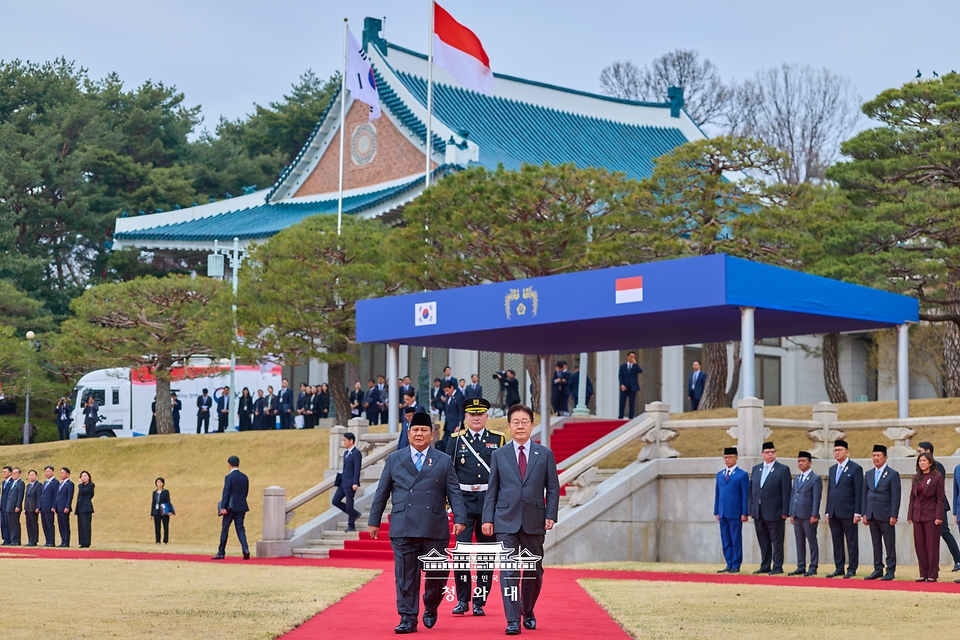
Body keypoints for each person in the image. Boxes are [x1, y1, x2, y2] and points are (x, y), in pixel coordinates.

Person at [367, 412, 466, 634]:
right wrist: (374, 521)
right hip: (404, 526)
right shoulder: (395, 459)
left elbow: (454, 492)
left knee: (437, 577)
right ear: (408, 433)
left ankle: (431, 605)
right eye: (415, 430)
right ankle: (408, 618)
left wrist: (460, 517)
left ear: (432, 434)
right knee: (405, 578)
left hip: (434, 527)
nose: (419, 434)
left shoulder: (444, 460)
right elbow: (381, 492)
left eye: (423, 430)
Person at [482, 404, 560, 635]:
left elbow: (553, 489)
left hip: (534, 521)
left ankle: (528, 608)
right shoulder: (499, 454)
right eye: (515, 422)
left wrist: (550, 515)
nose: (520, 426)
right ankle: (513, 619)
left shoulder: (544, 454)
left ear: (531, 425)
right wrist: (488, 519)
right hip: (505, 521)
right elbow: (492, 490)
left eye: (524, 421)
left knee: (534, 570)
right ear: (508, 426)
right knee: (509, 571)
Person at [446, 397, 505, 616]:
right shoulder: (455, 440)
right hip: (463, 502)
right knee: (461, 552)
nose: (476, 417)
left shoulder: (497, 439)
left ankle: (480, 600)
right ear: (466, 417)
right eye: (472, 414)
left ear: (487, 416)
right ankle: (462, 600)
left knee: (485, 555)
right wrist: (450, 504)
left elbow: (501, 475)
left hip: (488, 503)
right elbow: (449, 474)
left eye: (480, 414)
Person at [749, 441, 791, 574]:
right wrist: (751, 509)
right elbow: (753, 491)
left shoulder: (782, 469)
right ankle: (765, 565)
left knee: (777, 540)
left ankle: (777, 566)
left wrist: (785, 511)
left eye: (773, 452)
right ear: (762, 454)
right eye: (767, 453)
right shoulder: (756, 469)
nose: (770, 455)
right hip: (759, 511)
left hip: (775, 512)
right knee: (763, 540)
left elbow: (786, 492)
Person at [917, 442, 960, 571]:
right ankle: (932, 565)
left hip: (937, 506)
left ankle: (958, 560)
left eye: (920, 451)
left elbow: (937, 488)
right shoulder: (920, 468)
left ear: (928, 451)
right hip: (925, 508)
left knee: (944, 531)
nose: (918, 455)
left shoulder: (937, 466)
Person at [824, 439, 862, 578]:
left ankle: (852, 568)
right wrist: (828, 510)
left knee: (851, 541)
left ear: (847, 451)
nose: (837, 452)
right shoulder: (833, 469)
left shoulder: (855, 468)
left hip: (848, 511)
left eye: (840, 450)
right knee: (837, 541)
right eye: (835, 450)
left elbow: (858, 492)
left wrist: (858, 512)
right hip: (834, 511)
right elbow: (830, 491)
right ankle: (839, 567)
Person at [862, 444, 900, 581]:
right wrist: (864, 513)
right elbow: (864, 495)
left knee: (889, 543)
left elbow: (896, 496)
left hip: (886, 515)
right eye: (873, 455)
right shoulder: (869, 474)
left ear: (885, 457)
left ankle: (890, 570)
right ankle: (877, 569)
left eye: (878, 455)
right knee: (875, 543)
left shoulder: (892, 474)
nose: (875, 458)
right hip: (871, 514)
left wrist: (894, 515)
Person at [908, 452, 944, 582]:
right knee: (920, 545)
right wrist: (910, 514)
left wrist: (939, 516)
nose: (922, 463)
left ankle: (932, 574)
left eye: (924, 460)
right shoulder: (916, 478)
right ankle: (923, 573)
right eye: (920, 461)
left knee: (932, 545)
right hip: (918, 515)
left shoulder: (937, 477)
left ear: (930, 462)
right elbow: (912, 497)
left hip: (931, 515)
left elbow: (940, 499)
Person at [714, 447, 749, 573]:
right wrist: (716, 511)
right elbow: (718, 494)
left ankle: (736, 564)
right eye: (726, 457)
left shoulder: (742, 475)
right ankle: (728, 563)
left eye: (730, 457)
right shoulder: (720, 474)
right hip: (723, 512)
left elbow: (745, 495)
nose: (728, 460)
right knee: (725, 539)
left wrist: (744, 512)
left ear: (736, 458)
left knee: (735, 538)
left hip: (735, 513)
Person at [788, 451, 821, 576]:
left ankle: (813, 566)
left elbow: (816, 498)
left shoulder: (815, 478)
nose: (801, 463)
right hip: (797, 515)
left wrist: (814, 514)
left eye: (803, 461)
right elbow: (793, 496)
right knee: (799, 541)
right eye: (799, 461)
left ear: (810, 462)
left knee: (811, 541)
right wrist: (792, 513)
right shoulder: (797, 478)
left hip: (808, 516)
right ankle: (800, 565)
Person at [213, 455, 250, 559]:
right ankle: (245, 549)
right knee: (240, 528)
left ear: (229, 464)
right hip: (242, 505)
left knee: (225, 529)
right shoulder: (244, 477)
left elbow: (226, 492)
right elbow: (245, 492)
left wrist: (223, 507)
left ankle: (221, 552)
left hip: (230, 507)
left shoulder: (229, 477)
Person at [333, 432, 363, 532]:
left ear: (351, 441)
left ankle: (351, 525)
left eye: (345, 440)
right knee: (335, 501)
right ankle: (354, 514)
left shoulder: (356, 453)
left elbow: (357, 469)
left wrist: (355, 482)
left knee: (349, 503)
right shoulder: (346, 453)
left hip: (350, 483)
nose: (344, 442)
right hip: (343, 482)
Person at [441, 380, 465, 451]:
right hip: (448, 425)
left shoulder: (459, 396)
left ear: (452, 387)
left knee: (453, 447)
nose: (446, 392)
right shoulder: (448, 397)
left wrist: (459, 425)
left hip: (455, 426)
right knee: (445, 445)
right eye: (445, 391)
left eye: (447, 390)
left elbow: (461, 412)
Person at [2, 467, 24, 545]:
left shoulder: (20, 483)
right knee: (9, 524)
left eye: (16, 473)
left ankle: (16, 540)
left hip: (14, 507)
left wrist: (18, 506)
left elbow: (20, 496)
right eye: (13, 473)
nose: (14, 475)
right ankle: (10, 539)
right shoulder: (10, 483)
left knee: (15, 524)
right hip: (8, 507)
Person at [618, 351, 642, 420]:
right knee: (622, 402)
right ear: (627, 357)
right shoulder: (623, 367)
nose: (632, 358)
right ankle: (620, 416)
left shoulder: (635, 367)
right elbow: (620, 376)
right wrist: (622, 384)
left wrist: (636, 364)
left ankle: (631, 417)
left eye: (633, 357)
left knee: (632, 403)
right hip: (624, 387)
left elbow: (640, 371)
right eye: (631, 357)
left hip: (632, 387)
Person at [39, 466, 59, 547]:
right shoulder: (45, 482)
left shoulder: (55, 482)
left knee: (50, 524)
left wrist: (54, 506)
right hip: (43, 507)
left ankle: (51, 541)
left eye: (49, 471)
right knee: (44, 524)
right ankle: (47, 540)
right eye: (46, 472)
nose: (47, 473)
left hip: (49, 506)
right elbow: (42, 495)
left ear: (53, 472)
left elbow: (55, 496)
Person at [75, 470, 94, 548]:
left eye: (85, 476)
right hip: (80, 508)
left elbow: (83, 492)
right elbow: (79, 498)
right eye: (82, 476)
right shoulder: (82, 486)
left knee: (86, 525)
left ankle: (87, 542)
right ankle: (82, 542)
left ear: (89, 477)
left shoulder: (90, 485)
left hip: (86, 508)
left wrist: (80, 485)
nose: (83, 478)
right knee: (81, 526)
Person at [56, 467, 74, 547]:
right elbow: (57, 496)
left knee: (65, 524)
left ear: (67, 474)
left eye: (62, 473)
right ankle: (62, 540)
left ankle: (66, 541)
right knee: (60, 525)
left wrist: (67, 507)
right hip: (58, 507)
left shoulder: (70, 484)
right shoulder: (60, 484)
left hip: (64, 508)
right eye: (60, 473)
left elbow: (69, 497)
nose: (61, 475)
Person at [151, 477, 172, 545]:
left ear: (163, 483)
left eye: (160, 482)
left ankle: (165, 540)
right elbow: (153, 503)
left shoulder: (166, 492)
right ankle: (157, 540)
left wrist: (169, 510)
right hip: (156, 511)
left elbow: (168, 501)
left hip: (164, 510)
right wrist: (151, 513)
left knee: (165, 526)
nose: (159, 484)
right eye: (158, 482)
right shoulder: (154, 493)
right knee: (157, 526)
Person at [24, 469, 40, 546]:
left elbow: (39, 497)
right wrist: (24, 508)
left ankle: (34, 540)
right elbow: (26, 497)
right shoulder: (28, 486)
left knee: (34, 524)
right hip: (27, 507)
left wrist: (38, 507)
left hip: (34, 507)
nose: (31, 476)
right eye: (30, 475)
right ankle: (30, 539)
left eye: (33, 475)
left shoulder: (38, 485)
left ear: (36, 476)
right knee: (28, 524)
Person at [0, 466, 9, 544]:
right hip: (2, 505)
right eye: (3, 472)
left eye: (5, 472)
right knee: (2, 523)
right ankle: (5, 538)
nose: (3, 473)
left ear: (10, 473)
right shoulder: (3, 482)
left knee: (8, 522)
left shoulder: (12, 482)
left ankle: (9, 538)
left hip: (8, 505)